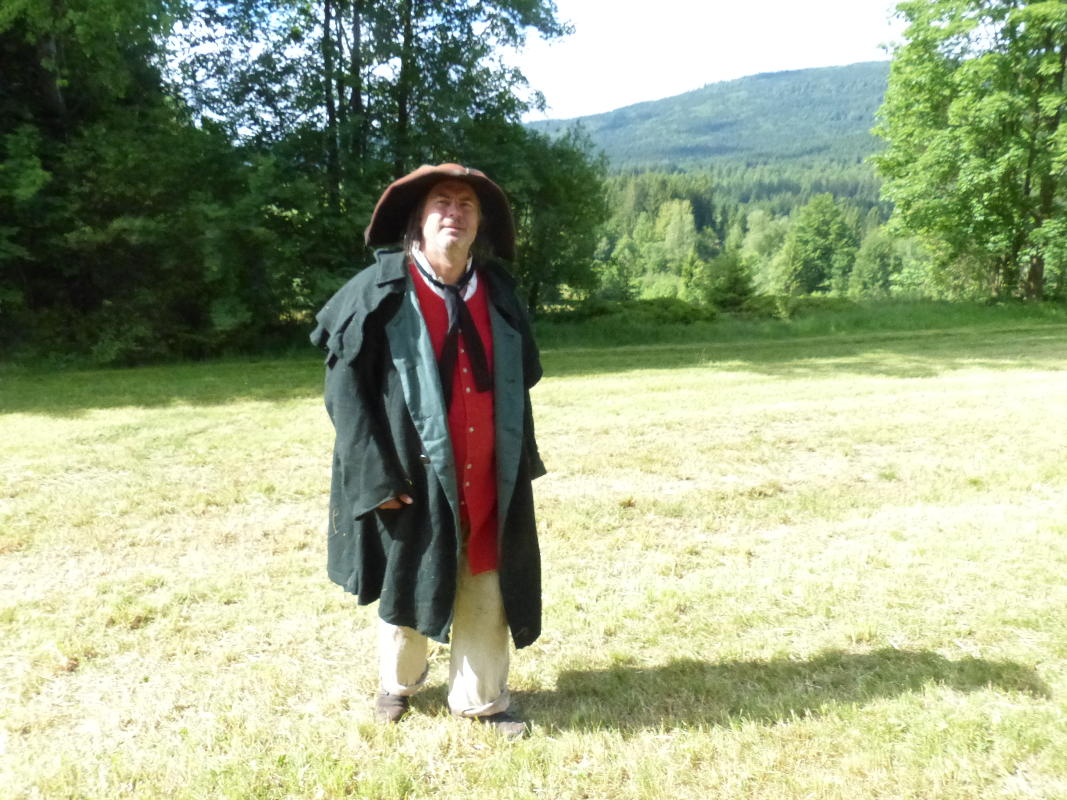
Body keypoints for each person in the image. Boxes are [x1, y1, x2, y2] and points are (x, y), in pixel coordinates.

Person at [310, 164, 545, 739]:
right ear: (418, 219)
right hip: (409, 478)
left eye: (467, 205)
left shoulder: (498, 292)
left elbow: (521, 379)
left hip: (488, 473)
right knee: (412, 574)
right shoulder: (378, 293)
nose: (454, 213)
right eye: (443, 202)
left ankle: (482, 701)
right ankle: (398, 684)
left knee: (486, 579)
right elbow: (345, 396)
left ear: (479, 224)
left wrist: (520, 457)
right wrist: (376, 479)